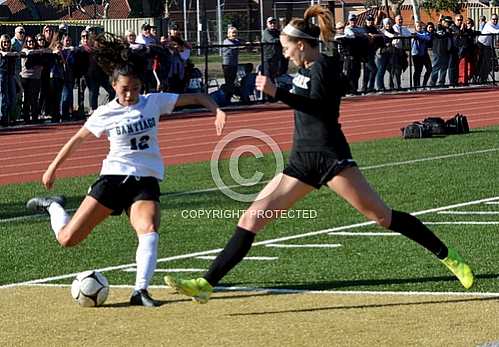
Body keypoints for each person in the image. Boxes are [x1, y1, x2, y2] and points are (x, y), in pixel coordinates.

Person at [164, 4, 475, 304]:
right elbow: (299, 98)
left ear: (301, 45)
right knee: (252, 217)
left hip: (330, 158)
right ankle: (206, 284)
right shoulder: (304, 69)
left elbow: (320, 108)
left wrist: (278, 93)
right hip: (301, 161)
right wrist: (274, 89)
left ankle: (449, 257)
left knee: (382, 216)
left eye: (287, 47)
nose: (284, 52)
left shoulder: (324, 66)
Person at [25, 33, 227, 307]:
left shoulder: (153, 102)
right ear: (113, 87)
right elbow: (76, 141)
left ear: (141, 86)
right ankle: (54, 207)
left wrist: (217, 110)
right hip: (113, 179)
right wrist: (52, 168)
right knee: (67, 239)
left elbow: (199, 97)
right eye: (124, 89)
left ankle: (140, 291)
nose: (130, 94)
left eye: (134, 88)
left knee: (149, 229)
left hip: (145, 179)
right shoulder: (104, 113)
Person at [222, 26, 241, 102]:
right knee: (229, 82)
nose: (234, 34)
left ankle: (230, 97)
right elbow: (236, 46)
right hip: (227, 65)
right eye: (232, 33)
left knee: (232, 82)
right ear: (228, 34)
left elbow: (240, 43)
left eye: (235, 33)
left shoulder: (236, 41)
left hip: (234, 64)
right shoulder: (226, 41)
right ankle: (226, 98)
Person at [262, 17, 284, 82]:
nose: (272, 24)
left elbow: (285, 36)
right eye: (270, 23)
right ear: (267, 24)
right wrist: (282, 39)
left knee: (276, 76)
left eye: (274, 23)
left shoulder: (277, 32)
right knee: (268, 77)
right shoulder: (266, 32)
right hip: (268, 58)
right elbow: (272, 40)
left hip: (276, 58)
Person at [411, 21, 432, 88]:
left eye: (420, 26)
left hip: (424, 54)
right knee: (418, 70)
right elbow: (414, 37)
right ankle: (416, 86)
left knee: (429, 69)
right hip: (416, 54)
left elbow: (428, 38)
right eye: (418, 26)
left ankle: (424, 84)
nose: (419, 27)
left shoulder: (424, 33)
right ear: (415, 27)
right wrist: (417, 36)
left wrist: (418, 36)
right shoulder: (413, 34)